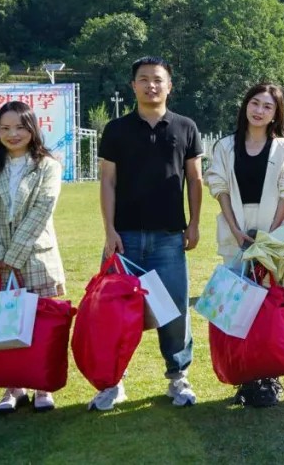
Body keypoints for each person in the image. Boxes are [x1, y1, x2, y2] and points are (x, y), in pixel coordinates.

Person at [95, 56, 204, 411]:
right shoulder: (116, 130)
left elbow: (195, 179)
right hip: (124, 237)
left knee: (173, 311)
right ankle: (113, 381)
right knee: (115, 313)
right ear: (133, 86)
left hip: (169, 236)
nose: (151, 85)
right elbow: (107, 181)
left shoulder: (185, 127)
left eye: (158, 79)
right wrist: (109, 230)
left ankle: (178, 377)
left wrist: (194, 223)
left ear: (169, 85)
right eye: (143, 79)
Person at [205, 83, 284, 408]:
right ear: (245, 105)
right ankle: (245, 374)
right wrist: (235, 227)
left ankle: (268, 376)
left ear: (276, 114)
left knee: (269, 306)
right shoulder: (224, 146)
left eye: (268, 106)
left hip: (273, 233)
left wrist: (268, 235)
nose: (259, 110)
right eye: (255, 103)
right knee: (239, 303)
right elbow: (219, 187)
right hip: (236, 232)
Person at [0, 101, 65, 415]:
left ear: (33, 129)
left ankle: (42, 387)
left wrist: (12, 256)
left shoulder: (48, 166)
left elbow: (42, 210)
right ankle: (12, 388)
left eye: (19, 127)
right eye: (5, 128)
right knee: (2, 328)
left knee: (40, 327)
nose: (12, 134)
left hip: (36, 258)